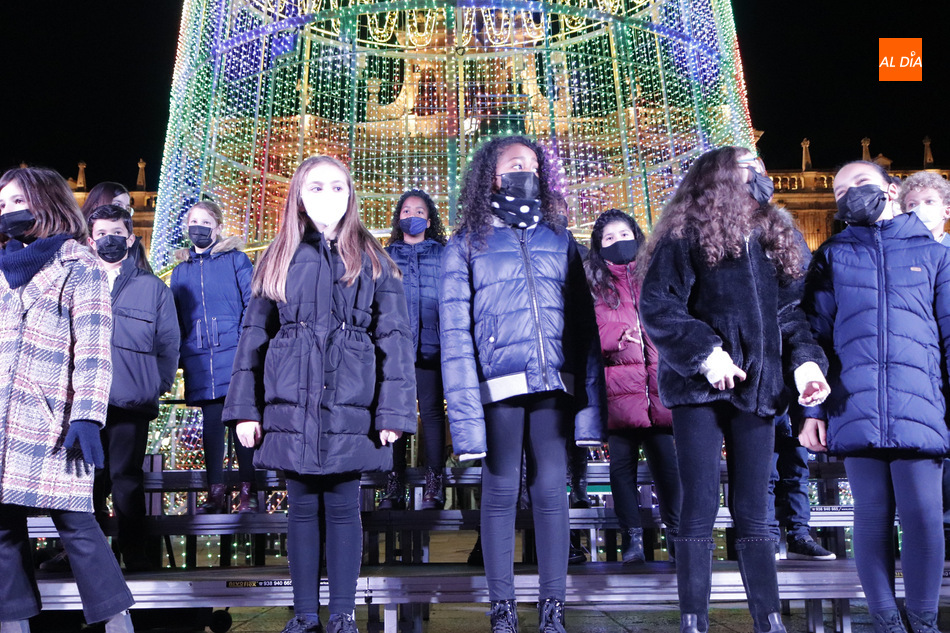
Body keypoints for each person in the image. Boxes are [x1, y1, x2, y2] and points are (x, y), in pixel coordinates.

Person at [639, 146, 830, 633]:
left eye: (761, 169)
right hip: (699, 388)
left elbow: (791, 315)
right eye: (750, 170)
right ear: (721, 178)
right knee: (699, 503)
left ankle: (767, 615)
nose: (760, 178)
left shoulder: (776, 235)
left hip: (761, 389)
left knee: (754, 507)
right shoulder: (684, 234)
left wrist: (806, 367)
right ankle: (693, 618)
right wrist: (707, 354)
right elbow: (660, 306)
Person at [223, 155, 416, 633]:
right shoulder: (278, 256)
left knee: (345, 508)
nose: (326, 196)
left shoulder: (374, 258)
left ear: (350, 195)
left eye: (336, 187)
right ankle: (306, 614)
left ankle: (343, 615)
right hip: (292, 402)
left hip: (351, 402)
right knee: (302, 507)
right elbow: (252, 338)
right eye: (315, 187)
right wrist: (246, 410)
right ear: (298, 196)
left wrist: (392, 410)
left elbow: (395, 340)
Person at [440, 135, 605, 633]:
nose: (524, 171)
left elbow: (585, 329)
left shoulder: (562, 239)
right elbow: (455, 334)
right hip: (498, 386)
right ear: (491, 173)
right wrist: (465, 417)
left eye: (532, 165)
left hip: (554, 382)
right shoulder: (467, 242)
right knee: (500, 491)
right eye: (515, 164)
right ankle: (503, 607)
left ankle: (553, 605)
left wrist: (589, 406)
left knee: (553, 490)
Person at [800, 160, 950, 633]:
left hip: (920, 403)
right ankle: (886, 622)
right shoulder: (830, 256)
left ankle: (923, 623)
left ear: (890, 188)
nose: (851, 195)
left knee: (924, 516)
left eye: (861, 184)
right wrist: (812, 411)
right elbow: (814, 340)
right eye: (841, 190)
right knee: (870, 516)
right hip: (854, 402)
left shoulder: (934, 254)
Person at [0, 167, 135, 633]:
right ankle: (12, 625)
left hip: (52, 419)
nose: (7, 210)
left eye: (17, 200)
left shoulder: (81, 265)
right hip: (1, 421)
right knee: (1, 530)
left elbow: (95, 351)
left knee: (78, 525)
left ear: (45, 202)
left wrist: (88, 418)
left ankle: (118, 623)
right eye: (2, 205)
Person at [585, 208, 681, 565]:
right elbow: (587, 333)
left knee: (668, 468)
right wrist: (614, 337)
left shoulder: (655, 275)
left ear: (637, 237)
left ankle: (676, 533)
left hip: (658, 389)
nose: (617, 242)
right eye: (608, 238)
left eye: (623, 235)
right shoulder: (595, 285)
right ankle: (633, 538)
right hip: (619, 392)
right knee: (620, 469)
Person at [87, 204, 180, 571]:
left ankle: (136, 561)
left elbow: (169, 343)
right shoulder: (78, 280)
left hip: (130, 401)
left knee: (126, 482)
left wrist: (155, 384)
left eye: (116, 233)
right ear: (91, 240)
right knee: (88, 484)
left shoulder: (153, 288)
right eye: (101, 234)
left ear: (130, 238)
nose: (109, 240)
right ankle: (93, 564)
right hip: (86, 404)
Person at [170, 200, 256, 513]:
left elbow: (253, 302)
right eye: (193, 221)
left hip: (233, 353)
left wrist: (247, 344)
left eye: (205, 222)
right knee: (210, 426)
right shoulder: (180, 271)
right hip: (199, 355)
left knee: (241, 422)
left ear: (217, 227)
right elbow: (176, 317)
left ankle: (249, 491)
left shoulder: (236, 260)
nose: (199, 227)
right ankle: (215, 491)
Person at [381, 189, 448, 510]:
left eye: (419, 211)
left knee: (433, 415)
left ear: (429, 219)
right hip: (396, 350)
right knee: (397, 416)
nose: (412, 216)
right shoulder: (385, 257)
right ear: (399, 219)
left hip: (433, 349)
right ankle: (395, 486)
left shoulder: (444, 254)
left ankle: (435, 485)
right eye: (406, 211)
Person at [767, 406, 835, 560]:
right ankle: (769, 537)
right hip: (768, 406)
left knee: (798, 477)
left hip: (796, 409)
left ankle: (800, 538)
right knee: (767, 477)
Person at [81, 182, 151, 273]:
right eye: (118, 205)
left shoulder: (135, 247)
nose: (124, 212)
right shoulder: (75, 247)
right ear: (97, 205)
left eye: (127, 208)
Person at [898, 171, 950, 246]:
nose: (920, 208)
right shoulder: (895, 250)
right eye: (912, 204)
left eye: (929, 201)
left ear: (947, 211)